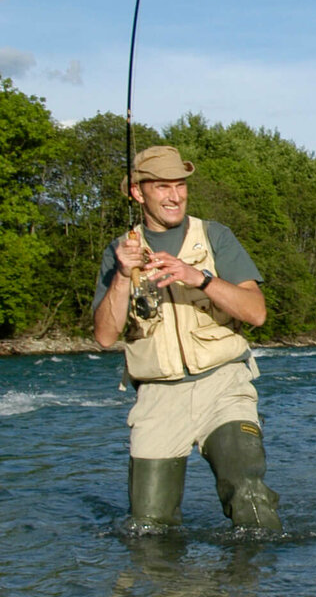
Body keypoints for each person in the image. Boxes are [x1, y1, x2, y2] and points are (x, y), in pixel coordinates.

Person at [92, 145, 281, 531]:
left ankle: (255, 584)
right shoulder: (119, 251)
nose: (174, 196)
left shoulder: (215, 236)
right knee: (148, 525)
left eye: (180, 185)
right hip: (157, 396)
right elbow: (104, 336)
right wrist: (121, 277)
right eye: (162, 187)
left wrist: (200, 278)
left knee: (250, 497)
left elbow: (256, 312)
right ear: (136, 192)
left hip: (224, 385)